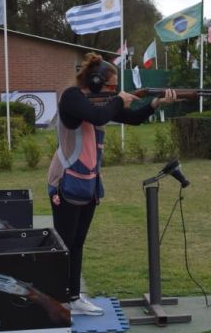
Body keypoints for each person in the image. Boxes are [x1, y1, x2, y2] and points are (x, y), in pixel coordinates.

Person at [47, 52, 178, 316]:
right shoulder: (72, 97)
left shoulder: (98, 104)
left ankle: (72, 297)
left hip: (88, 184)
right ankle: (56, 300)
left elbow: (132, 118)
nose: (114, 91)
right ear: (94, 82)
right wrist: (119, 100)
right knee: (64, 244)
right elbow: (97, 116)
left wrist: (155, 103)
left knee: (78, 242)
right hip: (66, 181)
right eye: (109, 86)